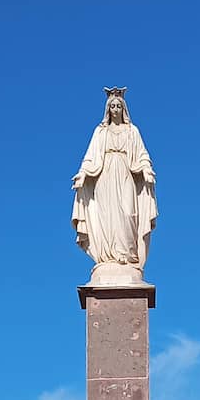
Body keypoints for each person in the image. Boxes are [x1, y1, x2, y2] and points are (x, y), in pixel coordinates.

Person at [72, 90, 158, 270]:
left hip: (126, 173)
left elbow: (142, 154)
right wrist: (83, 173)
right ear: (108, 110)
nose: (116, 109)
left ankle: (127, 255)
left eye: (119, 106)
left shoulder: (132, 131)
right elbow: (90, 157)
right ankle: (109, 258)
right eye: (112, 106)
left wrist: (146, 169)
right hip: (105, 176)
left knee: (127, 213)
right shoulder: (101, 132)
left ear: (124, 109)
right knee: (107, 216)